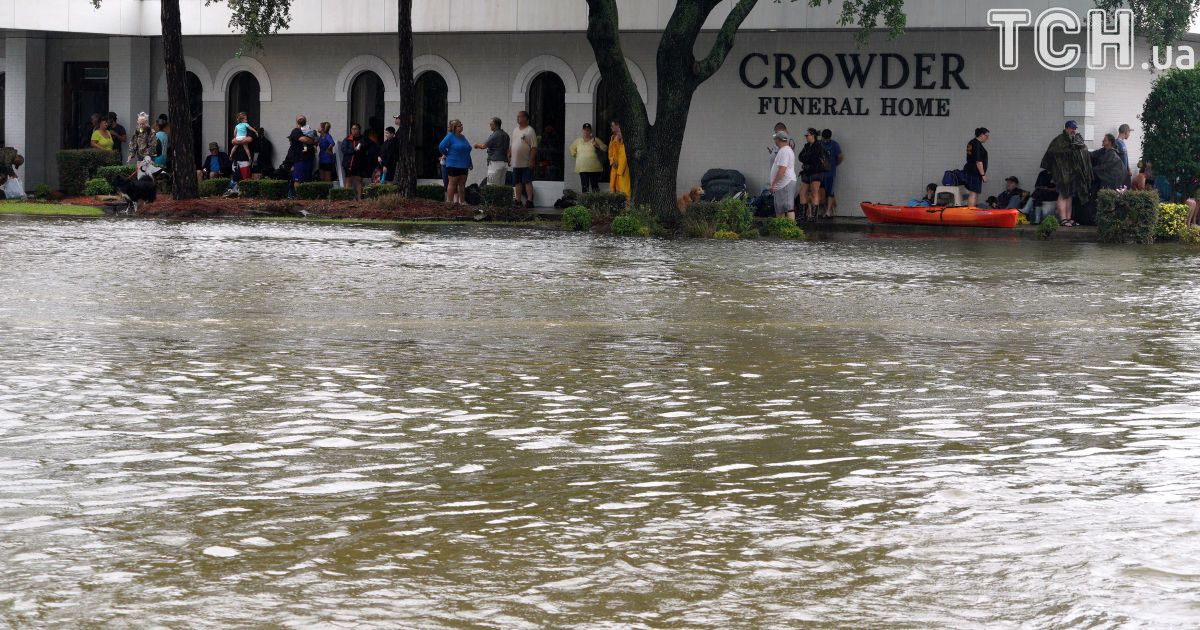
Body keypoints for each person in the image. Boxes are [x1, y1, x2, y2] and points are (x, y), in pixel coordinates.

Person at [1040, 120, 1091, 227]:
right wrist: (1070, 148)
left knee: (1069, 196)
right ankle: (1063, 218)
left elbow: (1083, 150)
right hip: (1062, 174)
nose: (1074, 130)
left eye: (1075, 128)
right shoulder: (1059, 140)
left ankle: (1069, 218)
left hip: (1072, 174)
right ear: (1067, 128)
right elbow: (1052, 153)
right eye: (1072, 128)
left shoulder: (1075, 139)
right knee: (1063, 194)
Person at [796, 128, 828, 222]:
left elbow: (813, 158)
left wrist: (807, 159)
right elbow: (800, 156)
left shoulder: (818, 145)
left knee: (815, 192)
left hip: (816, 171)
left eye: (807, 135)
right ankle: (803, 215)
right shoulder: (806, 146)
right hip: (806, 171)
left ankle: (814, 216)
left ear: (812, 135)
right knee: (802, 191)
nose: (806, 137)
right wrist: (807, 159)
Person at [439, 119, 473, 205]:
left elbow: (467, 150)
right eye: (459, 125)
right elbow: (441, 147)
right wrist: (448, 154)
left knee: (462, 184)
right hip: (453, 164)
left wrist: (470, 162)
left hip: (464, 164)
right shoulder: (450, 136)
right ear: (454, 128)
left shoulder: (463, 137)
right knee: (452, 183)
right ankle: (450, 202)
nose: (461, 126)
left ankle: (462, 202)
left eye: (461, 125)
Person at [510, 110, 539, 207]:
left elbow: (534, 147)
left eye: (520, 116)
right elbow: (512, 144)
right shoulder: (515, 130)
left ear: (526, 118)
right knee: (517, 182)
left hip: (526, 162)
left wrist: (531, 160)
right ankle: (518, 201)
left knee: (527, 181)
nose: (518, 118)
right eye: (517, 116)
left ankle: (529, 200)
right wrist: (509, 155)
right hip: (516, 162)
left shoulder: (530, 130)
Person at [767, 131, 798, 220]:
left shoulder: (784, 151)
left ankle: (790, 230)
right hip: (782, 184)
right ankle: (781, 229)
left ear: (778, 140)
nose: (774, 140)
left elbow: (782, 170)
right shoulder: (784, 150)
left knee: (788, 208)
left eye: (775, 138)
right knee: (779, 209)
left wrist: (774, 184)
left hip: (785, 183)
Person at [569, 123, 608, 193]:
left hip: (594, 168)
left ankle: (596, 203)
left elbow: (605, 148)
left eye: (588, 130)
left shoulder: (595, 140)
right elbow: (571, 148)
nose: (586, 132)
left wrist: (598, 146)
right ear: (582, 131)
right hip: (582, 168)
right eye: (585, 130)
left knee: (595, 187)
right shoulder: (578, 141)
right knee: (584, 187)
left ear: (590, 131)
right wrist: (576, 155)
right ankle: (585, 203)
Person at [344, 123, 378, 201]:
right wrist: (353, 150)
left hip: (359, 162)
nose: (353, 130)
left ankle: (359, 198)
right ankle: (347, 198)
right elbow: (344, 150)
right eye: (352, 129)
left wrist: (365, 150)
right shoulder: (347, 139)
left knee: (359, 180)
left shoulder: (364, 139)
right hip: (349, 162)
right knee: (348, 180)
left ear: (359, 130)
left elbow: (373, 146)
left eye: (355, 129)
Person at [286, 115, 316, 198]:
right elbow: (305, 140)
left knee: (307, 179)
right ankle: (298, 197)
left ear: (306, 120)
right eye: (300, 118)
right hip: (299, 160)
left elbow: (316, 139)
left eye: (303, 118)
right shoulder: (295, 131)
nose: (301, 119)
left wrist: (313, 140)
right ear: (297, 121)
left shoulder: (309, 130)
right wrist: (312, 140)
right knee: (298, 179)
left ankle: (305, 197)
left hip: (309, 159)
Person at [474, 117, 510, 186]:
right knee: (501, 185)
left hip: (495, 162)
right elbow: (508, 149)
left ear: (495, 125)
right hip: (504, 163)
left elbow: (483, 146)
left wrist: (476, 145)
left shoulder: (494, 135)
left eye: (491, 124)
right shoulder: (506, 135)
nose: (490, 125)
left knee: (491, 184)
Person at [819, 129, 843, 218]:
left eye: (826, 139)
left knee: (830, 192)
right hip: (820, 173)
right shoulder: (819, 144)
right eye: (823, 139)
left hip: (830, 173)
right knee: (821, 192)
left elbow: (840, 157)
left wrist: (835, 164)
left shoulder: (834, 145)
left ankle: (828, 211)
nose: (824, 141)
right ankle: (825, 210)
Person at [964, 127, 990, 208]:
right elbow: (978, 161)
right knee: (973, 192)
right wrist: (983, 175)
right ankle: (970, 213)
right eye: (987, 136)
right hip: (975, 171)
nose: (987, 138)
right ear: (982, 135)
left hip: (970, 170)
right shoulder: (977, 144)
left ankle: (972, 210)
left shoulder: (971, 142)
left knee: (974, 192)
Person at [608, 120, 630, 198]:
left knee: (624, 187)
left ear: (618, 126)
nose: (611, 128)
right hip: (615, 167)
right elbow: (610, 152)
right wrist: (612, 161)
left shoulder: (626, 137)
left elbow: (624, 154)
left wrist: (620, 168)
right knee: (614, 187)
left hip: (623, 168)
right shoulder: (612, 138)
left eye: (612, 126)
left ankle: (626, 207)